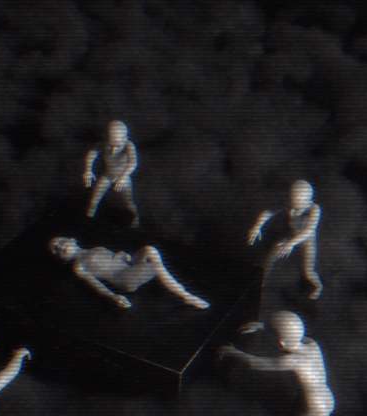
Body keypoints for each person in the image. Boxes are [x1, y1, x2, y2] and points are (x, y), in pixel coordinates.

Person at [219, 311, 334, 416]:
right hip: (327, 398)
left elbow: (254, 363)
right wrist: (263, 326)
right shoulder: (311, 344)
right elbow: (292, 332)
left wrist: (233, 352)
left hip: (315, 407)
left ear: (280, 343)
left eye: (270, 337)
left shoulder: (292, 360)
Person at [49, 236, 210, 310]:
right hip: (123, 278)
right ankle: (185, 295)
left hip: (128, 265)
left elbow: (115, 258)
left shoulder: (93, 249)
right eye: (56, 249)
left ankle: (178, 287)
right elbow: (96, 284)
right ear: (61, 259)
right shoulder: (79, 267)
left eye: (60, 241)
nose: (60, 247)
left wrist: (123, 255)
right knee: (155, 265)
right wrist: (114, 297)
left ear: (72, 239)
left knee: (150, 249)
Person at [247, 180, 323, 299]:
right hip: (291, 236)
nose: (294, 204)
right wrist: (257, 226)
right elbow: (268, 213)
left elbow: (308, 231)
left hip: (307, 242)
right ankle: (261, 281)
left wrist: (290, 243)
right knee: (272, 255)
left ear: (308, 200)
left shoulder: (315, 209)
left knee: (308, 271)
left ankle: (318, 287)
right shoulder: (290, 204)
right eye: (293, 199)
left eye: (299, 202)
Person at [83, 120, 140, 226]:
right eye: (111, 144)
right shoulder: (103, 144)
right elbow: (92, 154)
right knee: (94, 200)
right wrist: (88, 170)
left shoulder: (129, 145)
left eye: (117, 146)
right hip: (107, 175)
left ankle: (135, 220)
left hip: (122, 177)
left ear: (125, 138)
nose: (113, 150)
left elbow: (133, 162)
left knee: (129, 202)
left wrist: (123, 177)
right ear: (107, 138)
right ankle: (87, 221)